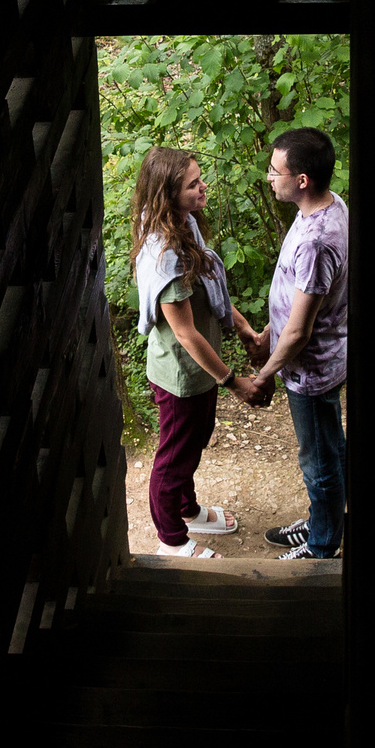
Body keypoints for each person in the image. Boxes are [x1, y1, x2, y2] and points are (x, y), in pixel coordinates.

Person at [131, 146, 268, 557]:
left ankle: (187, 510)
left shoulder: (184, 224)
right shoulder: (165, 255)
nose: (203, 186)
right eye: (193, 184)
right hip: (181, 376)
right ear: (166, 195)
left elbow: (210, 289)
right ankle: (171, 539)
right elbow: (187, 335)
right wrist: (233, 382)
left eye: (200, 177)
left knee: (194, 442)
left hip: (199, 371)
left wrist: (241, 326)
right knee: (173, 459)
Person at [238, 127, 348, 560]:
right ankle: (326, 520)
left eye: (275, 170)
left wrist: (263, 376)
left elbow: (301, 331)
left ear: (302, 179)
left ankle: (322, 545)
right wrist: (268, 332)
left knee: (318, 461)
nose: (269, 177)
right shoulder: (330, 205)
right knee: (330, 447)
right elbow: (299, 298)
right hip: (317, 359)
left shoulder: (317, 241)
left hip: (312, 368)